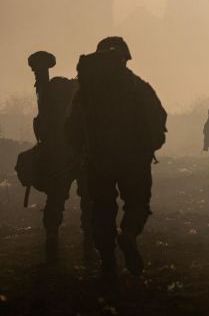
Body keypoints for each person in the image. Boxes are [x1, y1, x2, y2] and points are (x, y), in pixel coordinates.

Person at [66, 37, 167, 277]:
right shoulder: (137, 86)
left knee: (101, 208)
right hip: (133, 159)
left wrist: (83, 152)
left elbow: (70, 126)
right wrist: (149, 148)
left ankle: (108, 261)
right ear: (125, 58)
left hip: (98, 160)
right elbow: (157, 119)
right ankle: (129, 234)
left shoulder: (86, 90)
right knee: (137, 203)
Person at [27, 51, 92, 263]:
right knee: (88, 199)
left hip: (59, 155)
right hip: (81, 154)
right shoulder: (84, 93)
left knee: (55, 198)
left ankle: (52, 235)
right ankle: (89, 240)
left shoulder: (48, 92)